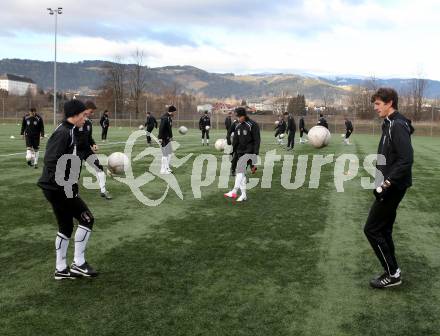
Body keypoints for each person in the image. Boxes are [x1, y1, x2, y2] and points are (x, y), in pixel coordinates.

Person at [38, 99, 98, 280]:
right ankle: (79, 263)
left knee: (65, 226)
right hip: (58, 188)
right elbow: (50, 160)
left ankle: (61, 269)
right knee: (87, 219)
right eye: (83, 115)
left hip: (55, 187)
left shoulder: (70, 130)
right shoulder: (64, 133)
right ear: (76, 115)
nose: (85, 119)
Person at [364, 88, 414, 289]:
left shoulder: (397, 125)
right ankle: (393, 271)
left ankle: (393, 274)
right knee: (383, 229)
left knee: (372, 229)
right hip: (389, 186)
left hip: (392, 188)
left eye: (378, 104)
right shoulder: (389, 123)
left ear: (389, 102)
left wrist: (385, 184)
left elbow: (406, 160)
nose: (375, 108)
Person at [75, 101, 112, 199]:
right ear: (85, 110)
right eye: (91, 111)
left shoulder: (88, 123)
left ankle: (103, 191)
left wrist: (93, 144)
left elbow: (89, 137)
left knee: (99, 167)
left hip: (87, 150)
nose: (92, 114)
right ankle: (73, 194)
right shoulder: (75, 121)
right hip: (76, 151)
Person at [224, 107, 260, 202]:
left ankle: (234, 191)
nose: (238, 118)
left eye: (239, 117)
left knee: (240, 170)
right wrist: (232, 151)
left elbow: (257, 141)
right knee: (242, 174)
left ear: (244, 116)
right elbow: (236, 140)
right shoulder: (238, 125)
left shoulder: (252, 125)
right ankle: (244, 195)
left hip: (250, 151)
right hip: (240, 151)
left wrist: (255, 156)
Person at [158, 105, 176, 174]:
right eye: (174, 112)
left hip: (167, 138)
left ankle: (167, 168)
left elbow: (169, 129)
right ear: (172, 111)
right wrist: (160, 138)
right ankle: (163, 170)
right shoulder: (165, 118)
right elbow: (161, 128)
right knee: (165, 154)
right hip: (163, 138)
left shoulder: (169, 118)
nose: (175, 113)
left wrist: (171, 136)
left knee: (169, 153)